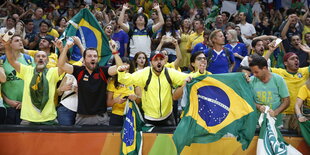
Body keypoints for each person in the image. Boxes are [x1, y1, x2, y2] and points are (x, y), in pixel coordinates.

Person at [117, 51, 189, 126]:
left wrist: (200, 73)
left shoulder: (170, 73)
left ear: (164, 61)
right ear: (151, 62)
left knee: (170, 138)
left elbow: (188, 77)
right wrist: (121, 72)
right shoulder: (144, 73)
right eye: (156, 60)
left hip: (167, 117)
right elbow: (126, 79)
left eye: (161, 59)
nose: (159, 62)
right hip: (149, 119)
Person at [57, 40, 121, 125]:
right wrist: (65, 48)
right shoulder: (78, 71)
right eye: (90, 56)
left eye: (95, 56)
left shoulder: (103, 71)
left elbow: (120, 67)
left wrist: (114, 51)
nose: (93, 58)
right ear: (84, 59)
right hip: (82, 117)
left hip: (100, 117)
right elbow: (61, 65)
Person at [3, 36, 62, 124]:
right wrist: (7, 46)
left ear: (48, 60)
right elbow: (12, 61)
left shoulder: (53, 72)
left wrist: (62, 49)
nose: (41, 58)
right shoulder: (27, 70)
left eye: (43, 56)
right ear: (34, 60)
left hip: (49, 118)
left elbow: (63, 65)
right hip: (27, 117)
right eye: (38, 56)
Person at [265, 52, 310, 130]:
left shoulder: (304, 71)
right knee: (285, 137)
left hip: (300, 114)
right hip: (284, 113)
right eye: (292, 59)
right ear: (285, 63)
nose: (296, 60)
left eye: (297, 58)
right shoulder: (279, 72)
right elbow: (262, 67)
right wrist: (270, 50)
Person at [0, 35, 34, 124]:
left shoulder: (29, 59)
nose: (20, 42)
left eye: (20, 40)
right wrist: (7, 100)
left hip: (27, 105)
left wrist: (27, 101)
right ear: (9, 44)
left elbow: (36, 83)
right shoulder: (2, 61)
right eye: (16, 41)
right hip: (8, 105)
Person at [249, 55, 290, 127]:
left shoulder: (278, 79)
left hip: (276, 123)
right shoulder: (251, 80)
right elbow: (248, 100)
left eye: (256, 72)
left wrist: (275, 112)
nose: (254, 75)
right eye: (253, 72)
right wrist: (258, 106)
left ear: (264, 68)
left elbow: (286, 101)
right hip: (257, 123)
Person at [107, 57, 137, 126]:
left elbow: (140, 100)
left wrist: (134, 98)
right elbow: (108, 103)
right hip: (116, 115)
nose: (125, 71)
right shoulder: (112, 82)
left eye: (127, 69)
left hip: (131, 114)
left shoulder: (135, 80)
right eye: (122, 69)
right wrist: (116, 100)